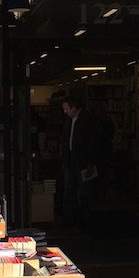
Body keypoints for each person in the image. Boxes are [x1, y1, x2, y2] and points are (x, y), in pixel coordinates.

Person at [60, 92, 98, 228]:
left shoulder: (87, 120)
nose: (65, 112)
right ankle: (71, 219)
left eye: (67, 109)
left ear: (74, 107)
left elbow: (92, 143)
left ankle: (84, 220)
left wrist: (90, 163)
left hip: (82, 162)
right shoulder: (69, 121)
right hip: (70, 162)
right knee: (69, 192)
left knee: (84, 193)